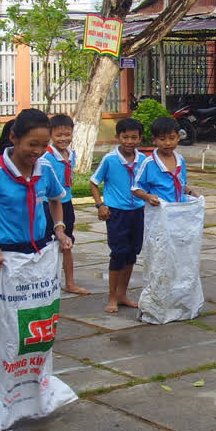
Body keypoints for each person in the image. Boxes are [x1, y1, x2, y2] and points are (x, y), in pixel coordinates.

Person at [0, 109, 76, 429]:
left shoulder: (45, 168)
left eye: (43, 145)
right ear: (14, 138)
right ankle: (2, 397)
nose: (37, 152)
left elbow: (56, 199)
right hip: (4, 263)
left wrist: (59, 229)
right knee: (3, 335)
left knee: (36, 333)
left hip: (38, 264)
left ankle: (34, 394)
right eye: (31, 144)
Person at [89, 117, 146, 313]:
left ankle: (123, 294)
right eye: (125, 137)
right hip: (117, 213)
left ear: (140, 138)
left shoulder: (144, 161)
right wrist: (100, 205)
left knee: (132, 254)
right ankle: (112, 297)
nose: (129, 141)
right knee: (118, 254)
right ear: (117, 137)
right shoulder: (110, 160)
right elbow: (94, 182)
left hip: (138, 212)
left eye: (134, 137)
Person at [42, 113, 90, 295]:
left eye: (67, 135)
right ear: (50, 135)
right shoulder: (45, 157)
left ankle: (70, 282)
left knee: (67, 242)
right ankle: (47, 284)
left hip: (66, 203)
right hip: (48, 205)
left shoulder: (72, 155)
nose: (63, 139)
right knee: (47, 244)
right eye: (59, 135)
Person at [131, 116, 200, 205]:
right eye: (162, 139)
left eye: (172, 138)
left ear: (178, 138)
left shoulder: (180, 160)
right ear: (154, 140)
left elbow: (181, 184)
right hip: (159, 214)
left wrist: (191, 193)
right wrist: (148, 197)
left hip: (180, 211)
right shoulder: (149, 163)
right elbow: (135, 189)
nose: (167, 143)